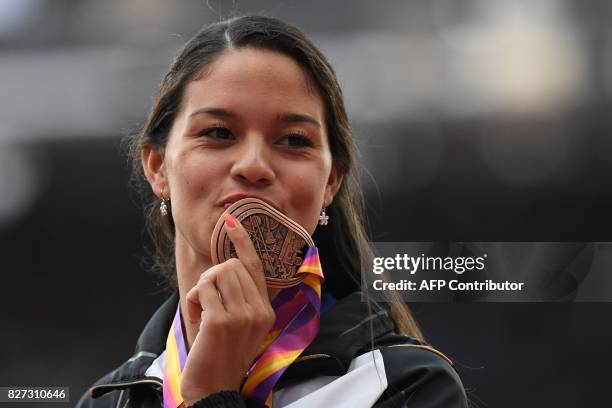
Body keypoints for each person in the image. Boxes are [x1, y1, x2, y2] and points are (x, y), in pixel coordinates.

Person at [76, 15, 468, 408]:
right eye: (218, 132)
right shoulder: (107, 402)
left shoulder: (404, 387)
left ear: (331, 181)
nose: (253, 165)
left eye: (294, 140)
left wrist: (213, 395)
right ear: (158, 166)